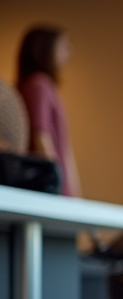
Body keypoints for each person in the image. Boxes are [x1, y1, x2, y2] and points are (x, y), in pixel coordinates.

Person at [16, 25, 81, 196]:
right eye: (63, 46)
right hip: (50, 188)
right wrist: (55, 183)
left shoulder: (46, 87)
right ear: (46, 49)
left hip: (56, 186)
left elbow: (65, 150)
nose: (69, 51)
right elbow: (41, 137)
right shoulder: (39, 85)